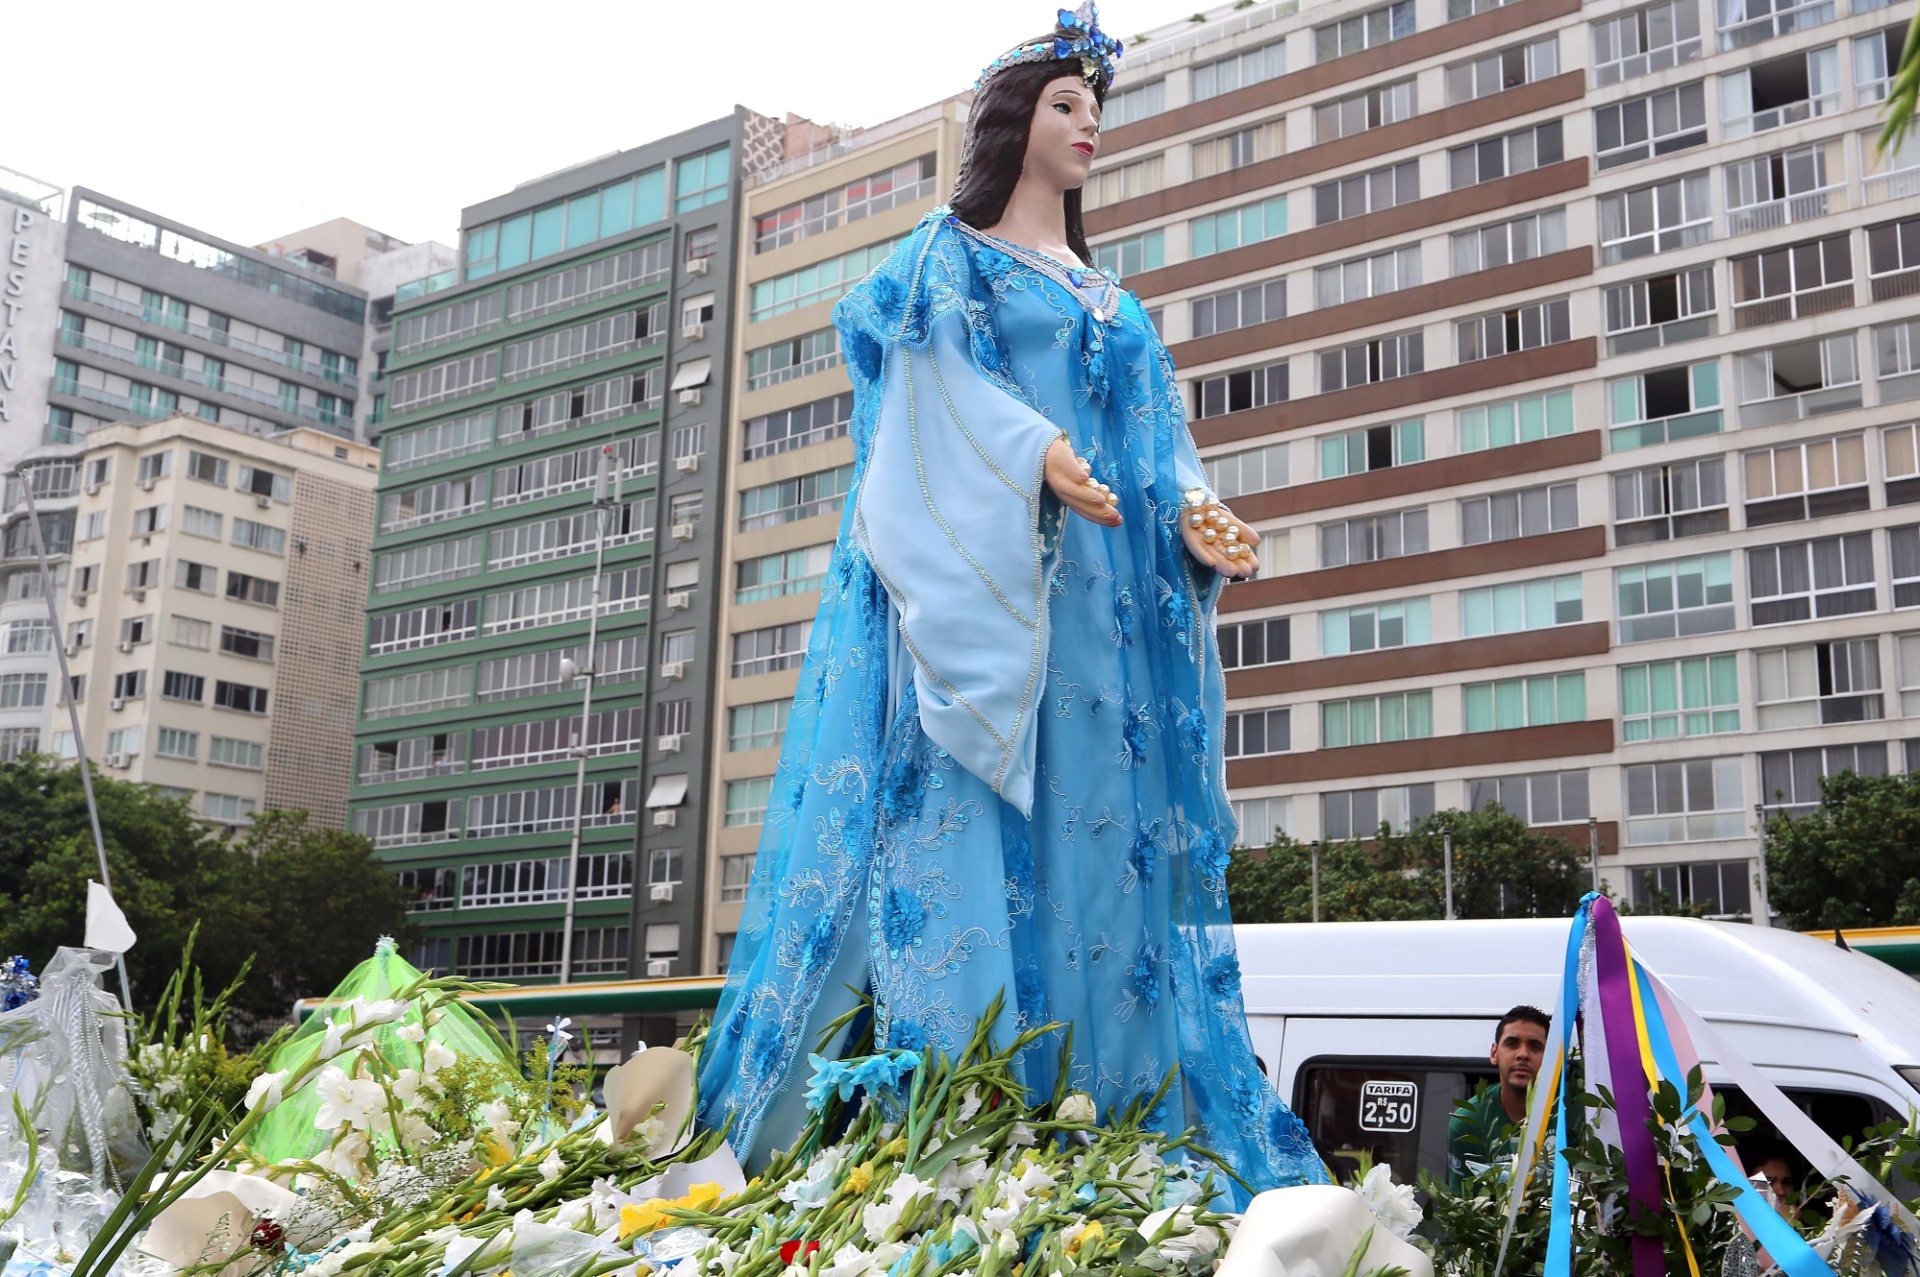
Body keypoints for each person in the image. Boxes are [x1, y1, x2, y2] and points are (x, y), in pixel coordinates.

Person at [695, 3, 1326, 1196]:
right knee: (992, 832)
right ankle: (980, 1135)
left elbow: (1158, 440)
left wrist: (1196, 507)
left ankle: (1116, 1131)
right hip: (1008, 603)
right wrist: (1032, 451)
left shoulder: (1118, 302)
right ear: (1011, 123)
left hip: (1109, 625)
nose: (1089, 126)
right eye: (1065, 105)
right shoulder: (951, 257)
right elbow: (928, 396)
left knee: (1110, 854)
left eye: (1095, 108)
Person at [1447, 1005, 1550, 1188]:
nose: (1523, 1054)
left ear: (1550, 1058)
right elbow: (1461, 1201)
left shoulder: (1571, 1113)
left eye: (1535, 1046)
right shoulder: (1468, 1122)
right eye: (1512, 1044)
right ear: (1494, 1054)